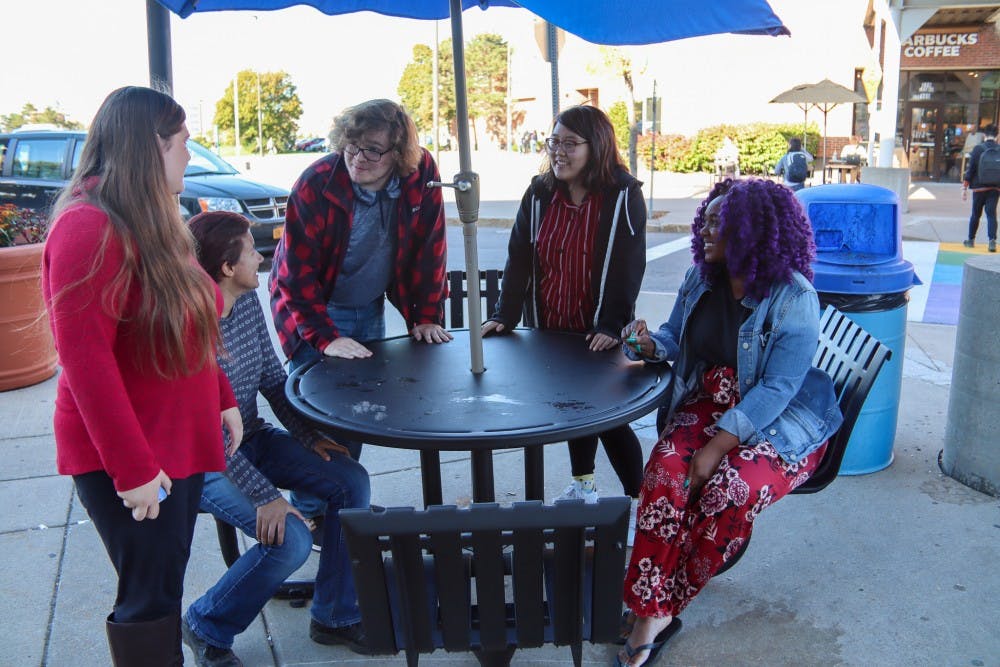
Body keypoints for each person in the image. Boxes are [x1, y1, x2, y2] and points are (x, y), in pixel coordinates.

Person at [41, 86, 243, 666]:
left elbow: (190, 317)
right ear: (147, 147)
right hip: (131, 451)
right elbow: (85, 362)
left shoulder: (156, 218)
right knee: (148, 595)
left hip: (175, 436)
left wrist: (221, 396)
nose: (188, 155)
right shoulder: (88, 226)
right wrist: (131, 469)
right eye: (182, 143)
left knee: (166, 579)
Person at [615, 178, 842, 667]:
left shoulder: (793, 296)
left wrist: (717, 447)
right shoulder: (702, 277)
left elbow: (779, 389)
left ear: (755, 231)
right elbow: (675, 336)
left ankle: (654, 609)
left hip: (784, 419)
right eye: (708, 220)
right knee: (665, 473)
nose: (706, 230)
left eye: (721, 221)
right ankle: (652, 608)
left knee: (729, 489)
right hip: (712, 399)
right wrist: (646, 345)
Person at [184, 211, 372, 664]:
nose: (260, 255)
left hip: (250, 437)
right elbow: (203, 433)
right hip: (206, 461)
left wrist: (309, 437)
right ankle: (206, 623)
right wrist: (266, 495)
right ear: (227, 267)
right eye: (250, 249)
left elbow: (272, 375)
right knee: (290, 540)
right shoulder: (190, 325)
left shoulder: (245, 301)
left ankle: (334, 614)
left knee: (351, 480)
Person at [269, 98, 450, 532]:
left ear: (399, 153)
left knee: (357, 413)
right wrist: (324, 337)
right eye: (351, 145)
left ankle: (340, 505)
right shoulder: (317, 182)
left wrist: (425, 315)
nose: (358, 157)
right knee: (318, 414)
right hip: (313, 306)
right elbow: (298, 275)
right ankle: (310, 516)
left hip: (366, 304)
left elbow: (430, 247)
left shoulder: (421, 175)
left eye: (373, 149)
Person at [482, 105, 647, 505]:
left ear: (598, 147)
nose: (558, 151)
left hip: (596, 333)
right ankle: (585, 488)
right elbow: (519, 255)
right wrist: (505, 314)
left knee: (608, 418)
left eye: (570, 143)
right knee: (574, 412)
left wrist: (611, 325)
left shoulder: (623, 195)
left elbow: (629, 265)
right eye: (554, 141)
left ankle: (642, 502)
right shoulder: (540, 192)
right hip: (551, 330)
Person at [962, 123, 999, 252]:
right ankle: (992, 241)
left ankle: (971, 240)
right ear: (997, 135)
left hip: (978, 188)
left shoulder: (978, 149)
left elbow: (971, 168)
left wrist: (966, 184)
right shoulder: (999, 149)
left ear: (984, 135)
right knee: (991, 214)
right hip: (995, 188)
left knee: (975, 214)